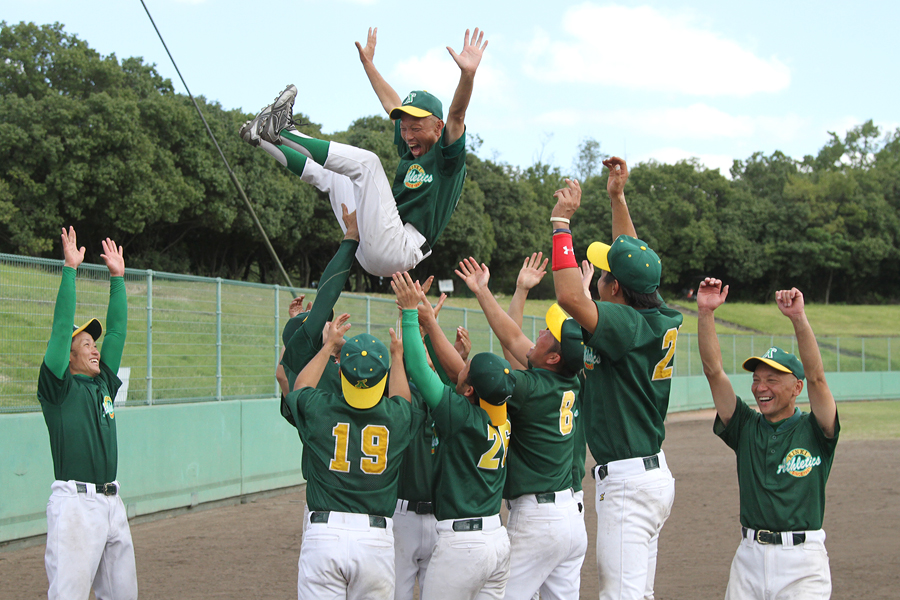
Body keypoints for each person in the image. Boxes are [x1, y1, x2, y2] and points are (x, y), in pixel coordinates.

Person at [240, 27, 488, 277]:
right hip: (372, 244)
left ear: (438, 127)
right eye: (404, 128)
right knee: (334, 174)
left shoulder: (447, 158)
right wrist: (368, 63)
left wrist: (468, 74)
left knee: (368, 164)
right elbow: (391, 103)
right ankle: (262, 139)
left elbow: (457, 114)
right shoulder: (412, 145)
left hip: (403, 248)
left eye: (415, 128)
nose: (408, 135)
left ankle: (283, 130)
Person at [550, 158, 683, 599]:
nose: (600, 279)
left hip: (628, 485)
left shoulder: (624, 326)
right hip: (651, 474)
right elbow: (635, 258)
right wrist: (617, 198)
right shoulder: (657, 313)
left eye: (605, 274)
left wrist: (561, 225)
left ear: (615, 289)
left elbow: (570, 296)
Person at [454, 257, 587, 600]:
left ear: (553, 358)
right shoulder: (571, 380)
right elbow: (512, 337)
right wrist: (505, 291)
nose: (540, 333)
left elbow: (499, 359)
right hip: (570, 519)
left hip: (538, 520)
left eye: (548, 335)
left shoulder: (533, 387)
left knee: (497, 594)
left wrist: (482, 291)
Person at [696, 279, 839, 599]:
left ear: (797, 387)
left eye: (772, 379)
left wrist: (798, 318)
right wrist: (705, 313)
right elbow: (713, 371)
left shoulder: (817, 430)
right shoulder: (745, 426)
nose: (761, 387)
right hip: (749, 560)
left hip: (804, 564)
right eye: (757, 379)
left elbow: (817, 377)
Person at [393, 272, 513, 600]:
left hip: (463, 543)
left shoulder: (461, 417)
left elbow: (420, 369)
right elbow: (449, 376)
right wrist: (430, 323)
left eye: (465, 369)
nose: (459, 367)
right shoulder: (501, 417)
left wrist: (409, 314)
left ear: (470, 390)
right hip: (496, 539)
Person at [283, 315, 416, 599]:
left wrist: (328, 347)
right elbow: (402, 398)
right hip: (374, 539)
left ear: (341, 373)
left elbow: (300, 387)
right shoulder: (397, 416)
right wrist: (397, 356)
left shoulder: (320, 408)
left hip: (324, 535)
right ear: (383, 378)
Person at [37, 226, 136, 600]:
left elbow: (118, 332)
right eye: (86, 345)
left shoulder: (103, 383)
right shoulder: (58, 388)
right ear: (69, 355)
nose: (95, 349)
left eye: (95, 344)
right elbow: (61, 328)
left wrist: (117, 278)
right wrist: (69, 269)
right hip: (75, 506)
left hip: (112, 503)